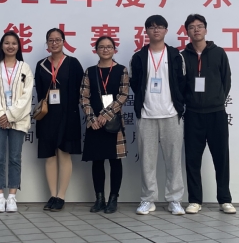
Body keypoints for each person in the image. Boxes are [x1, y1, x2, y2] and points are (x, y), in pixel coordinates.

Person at [129, 15, 187, 215]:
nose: (156, 30)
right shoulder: (138, 57)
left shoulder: (175, 55)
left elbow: (182, 82)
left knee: (174, 161)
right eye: (152, 27)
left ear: (166, 30)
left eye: (160, 27)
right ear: (146, 31)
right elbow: (135, 83)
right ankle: (148, 199)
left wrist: (178, 105)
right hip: (146, 116)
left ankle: (175, 200)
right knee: (147, 162)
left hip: (171, 115)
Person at [182, 14, 235, 214]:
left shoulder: (219, 53)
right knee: (192, 159)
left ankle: (225, 200)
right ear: (187, 31)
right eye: (192, 27)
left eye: (200, 26)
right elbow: (179, 84)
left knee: (221, 158)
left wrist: (216, 99)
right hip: (193, 114)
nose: (196, 30)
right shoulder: (182, 56)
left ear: (206, 29)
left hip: (216, 114)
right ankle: (195, 200)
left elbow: (226, 80)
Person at [0, 31, 34, 213]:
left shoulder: (25, 68)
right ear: (1, 45)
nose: (10, 46)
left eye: (14, 43)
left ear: (19, 46)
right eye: (7, 43)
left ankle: (11, 196)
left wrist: (10, 116)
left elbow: (26, 96)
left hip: (18, 120)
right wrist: (0, 115)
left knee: (15, 158)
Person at [35, 27, 84, 211]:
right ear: (47, 43)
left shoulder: (72, 63)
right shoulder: (41, 64)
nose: (54, 43)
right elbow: (40, 90)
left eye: (58, 40)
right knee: (49, 156)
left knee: (64, 154)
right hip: (47, 115)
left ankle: (61, 196)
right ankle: (52, 195)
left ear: (64, 42)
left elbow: (81, 89)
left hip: (68, 115)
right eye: (51, 40)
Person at [80, 36, 129, 214]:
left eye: (109, 47)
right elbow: (84, 97)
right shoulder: (90, 71)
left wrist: (106, 115)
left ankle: (113, 199)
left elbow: (123, 95)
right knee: (97, 161)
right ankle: (99, 198)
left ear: (114, 50)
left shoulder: (121, 70)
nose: (105, 50)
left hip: (113, 123)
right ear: (96, 50)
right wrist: (92, 118)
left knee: (115, 161)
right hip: (95, 124)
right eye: (101, 47)